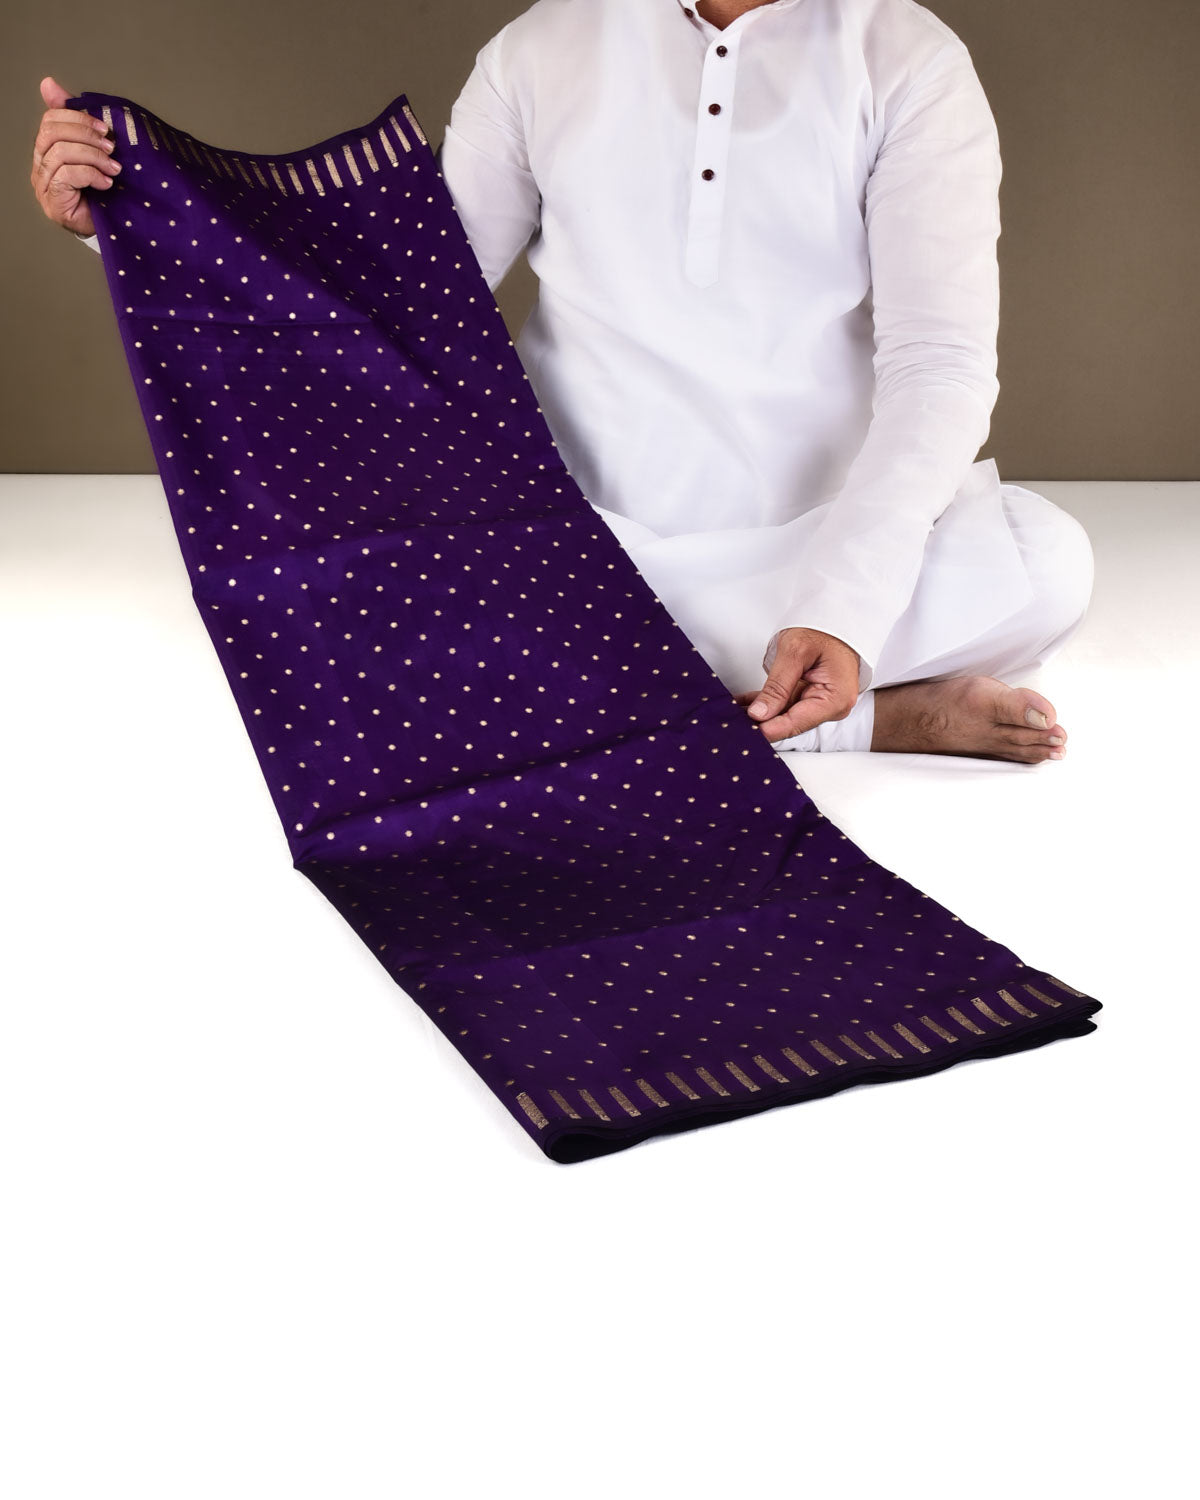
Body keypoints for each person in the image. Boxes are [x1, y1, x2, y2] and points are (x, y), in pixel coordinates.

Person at [31, 0, 1092, 764]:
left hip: (814, 545)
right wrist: (126, 223)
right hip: (575, 546)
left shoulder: (908, 58)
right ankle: (863, 719)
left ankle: (725, 684)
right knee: (345, 586)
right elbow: (398, 310)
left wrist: (846, 605)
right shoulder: (542, 48)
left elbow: (940, 365)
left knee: (1049, 562)